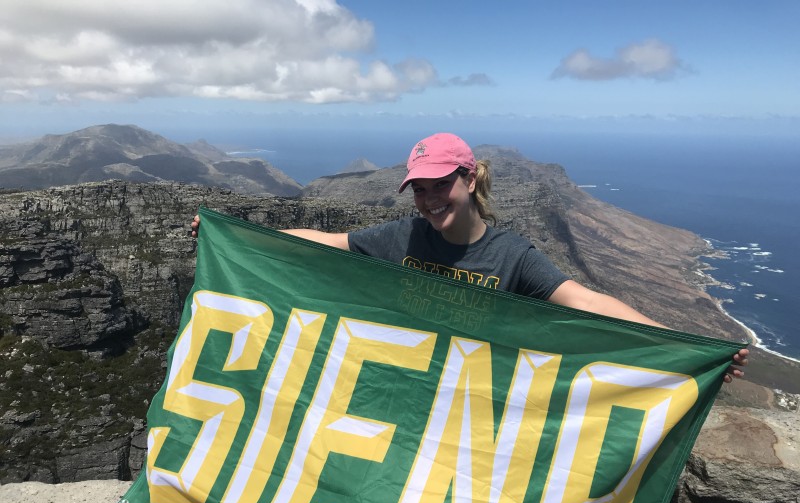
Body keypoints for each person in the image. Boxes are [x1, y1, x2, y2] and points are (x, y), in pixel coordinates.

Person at [191, 132, 748, 382]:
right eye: (420, 189)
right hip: (402, 393)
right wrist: (234, 233)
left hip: (470, 409)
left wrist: (685, 346)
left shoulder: (511, 256)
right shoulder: (401, 237)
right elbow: (327, 243)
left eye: (440, 185)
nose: (431, 200)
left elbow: (584, 300)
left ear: (468, 177)